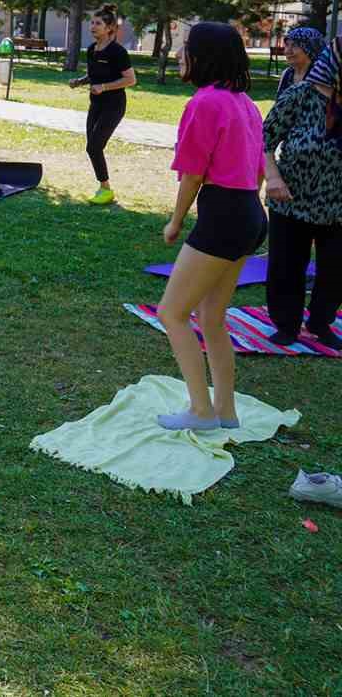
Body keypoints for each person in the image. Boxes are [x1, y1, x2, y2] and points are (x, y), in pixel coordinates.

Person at [155, 22, 267, 431]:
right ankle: (227, 412)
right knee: (212, 316)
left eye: (187, 49)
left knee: (172, 313)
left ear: (203, 58)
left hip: (224, 215)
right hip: (250, 214)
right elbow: (255, 172)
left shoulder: (204, 103)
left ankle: (202, 412)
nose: (182, 55)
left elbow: (192, 173)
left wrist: (176, 221)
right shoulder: (247, 105)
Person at [263, 34, 342, 345]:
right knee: (286, 265)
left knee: (335, 270)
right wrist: (273, 178)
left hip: (337, 204)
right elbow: (265, 137)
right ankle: (287, 324)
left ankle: (321, 323)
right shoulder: (300, 94)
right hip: (290, 198)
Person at [68, 4, 136, 205]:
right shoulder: (91, 50)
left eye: (98, 23)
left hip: (114, 105)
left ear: (109, 28)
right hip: (95, 104)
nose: (93, 26)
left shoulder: (118, 52)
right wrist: (80, 81)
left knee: (95, 146)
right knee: (92, 148)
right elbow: (94, 74)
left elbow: (131, 80)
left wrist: (104, 87)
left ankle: (105, 189)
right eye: (92, 22)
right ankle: (104, 187)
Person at [277, 26, 324, 97]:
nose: (287, 51)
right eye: (287, 45)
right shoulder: (286, 74)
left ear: (309, 49)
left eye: (294, 45)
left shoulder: (320, 77)